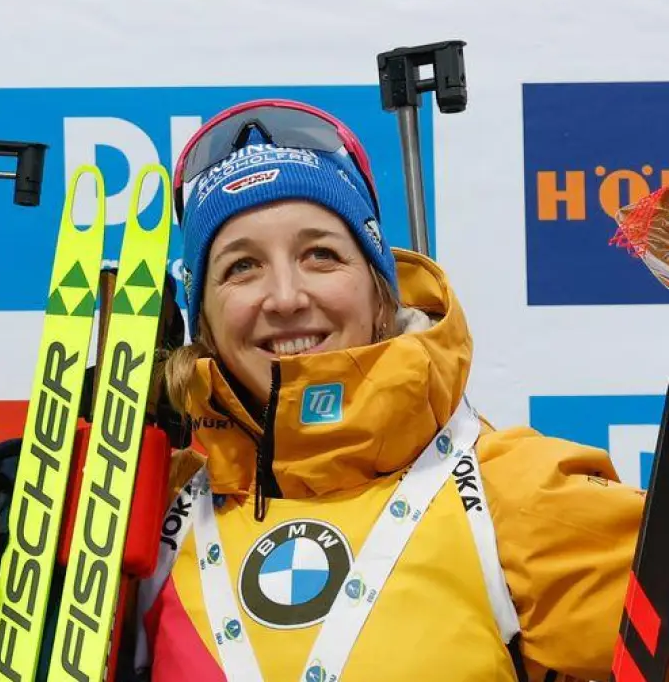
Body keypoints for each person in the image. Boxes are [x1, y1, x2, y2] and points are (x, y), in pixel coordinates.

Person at [134, 100, 644, 681]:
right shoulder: (150, 517)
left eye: (320, 255)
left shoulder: (514, 494)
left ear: (382, 289)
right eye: (241, 267)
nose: (285, 297)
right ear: (202, 318)